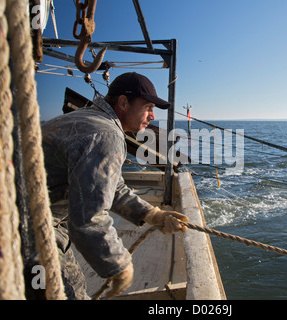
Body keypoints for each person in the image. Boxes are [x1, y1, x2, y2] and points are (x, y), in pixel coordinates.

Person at [41, 72, 189, 299]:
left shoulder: (89, 119)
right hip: (28, 231)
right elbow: (89, 219)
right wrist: (118, 265)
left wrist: (151, 214)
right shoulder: (106, 134)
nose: (152, 116)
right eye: (148, 106)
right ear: (123, 102)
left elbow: (111, 186)